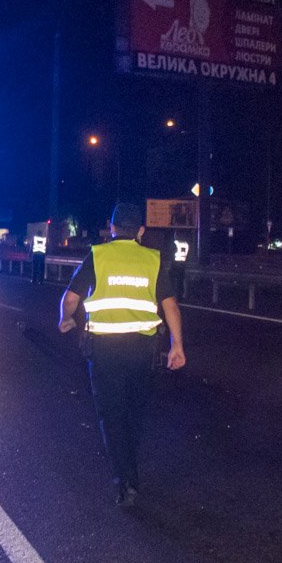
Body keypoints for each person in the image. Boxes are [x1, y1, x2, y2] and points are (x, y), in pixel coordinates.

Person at [58, 203, 185, 507]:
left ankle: (126, 480)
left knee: (112, 415)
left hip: (105, 351)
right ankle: (130, 466)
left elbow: (72, 297)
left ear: (111, 228)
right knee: (134, 413)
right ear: (141, 231)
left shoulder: (98, 255)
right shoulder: (153, 259)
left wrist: (66, 318)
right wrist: (177, 345)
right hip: (143, 351)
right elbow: (170, 306)